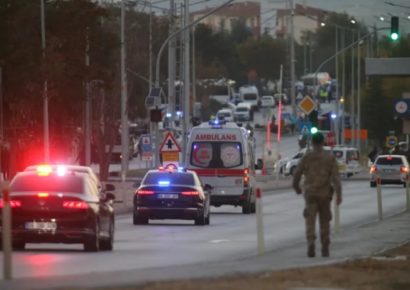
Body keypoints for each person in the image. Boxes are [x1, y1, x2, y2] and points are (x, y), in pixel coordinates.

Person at [292, 133, 342, 258]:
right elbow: (336, 178)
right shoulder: (329, 157)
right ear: (323, 142)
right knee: (325, 220)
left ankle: (311, 242)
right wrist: (339, 193)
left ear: (313, 142)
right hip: (325, 193)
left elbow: (297, 173)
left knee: (310, 219)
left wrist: (296, 187)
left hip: (310, 193)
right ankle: (325, 243)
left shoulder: (307, 156)